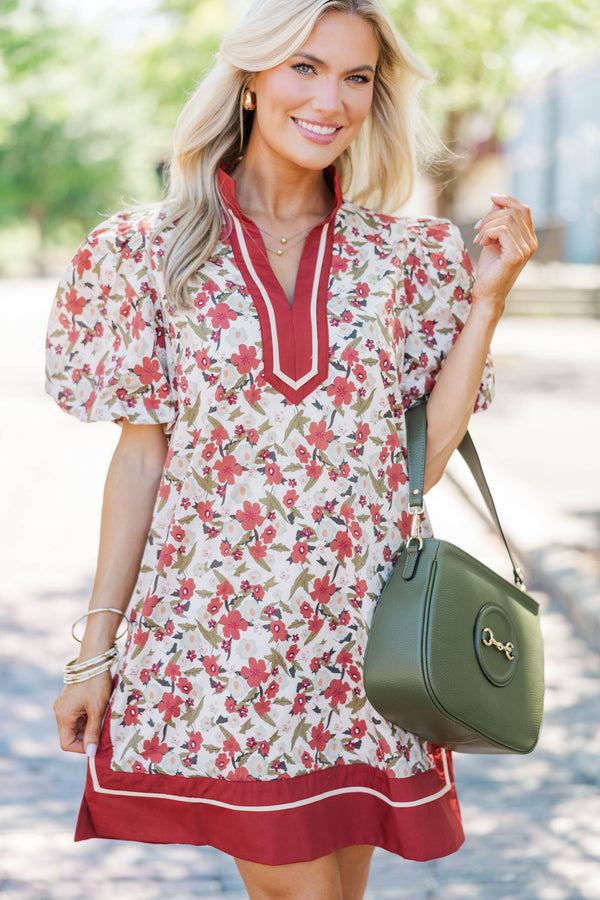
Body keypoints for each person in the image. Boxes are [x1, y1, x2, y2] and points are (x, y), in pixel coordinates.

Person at [46, 0, 537, 897]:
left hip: (365, 645)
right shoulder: (144, 252)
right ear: (250, 79)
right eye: (305, 67)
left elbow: (413, 471)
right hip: (220, 646)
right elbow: (142, 461)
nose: (332, 99)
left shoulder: (410, 261)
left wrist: (489, 301)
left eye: (357, 77)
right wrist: (95, 655)